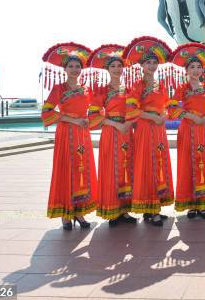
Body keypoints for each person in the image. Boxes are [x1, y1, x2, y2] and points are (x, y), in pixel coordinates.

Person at [41, 42, 97, 230]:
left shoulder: (86, 89)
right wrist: (73, 120)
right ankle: (66, 214)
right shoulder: (59, 88)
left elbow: (93, 110)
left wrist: (90, 119)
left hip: (82, 133)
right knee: (67, 169)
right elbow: (47, 112)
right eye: (71, 66)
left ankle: (79, 212)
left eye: (78, 66)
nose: (74, 69)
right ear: (64, 69)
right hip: (66, 132)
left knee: (82, 169)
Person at [123, 36, 174, 227]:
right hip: (145, 128)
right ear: (141, 66)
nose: (152, 66)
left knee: (159, 164)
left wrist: (164, 114)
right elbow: (131, 109)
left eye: (154, 63)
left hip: (159, 129)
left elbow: (166, 106)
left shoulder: (160, 85)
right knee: (147, 165)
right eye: (148, 63)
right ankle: (150, 209)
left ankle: (154, 207)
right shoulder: (137, 86)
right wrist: (152, 117)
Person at [168, 43, 205, 219]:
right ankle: (191, 204)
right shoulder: (182, 88)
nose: (196, 70)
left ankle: (203, 204)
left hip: (203, 128)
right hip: (188, 128)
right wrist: (192, 117)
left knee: (203, 162)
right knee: (187, 163)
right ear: (187, 70)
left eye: (199, 67)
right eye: (192, 67)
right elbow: (172, 108)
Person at [87, 44, 138, 227]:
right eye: (113, 66)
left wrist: (128, 124)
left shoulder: (130, 89)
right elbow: (93, 115)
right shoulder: (101, 91)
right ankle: (113, 210)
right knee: (111, 169)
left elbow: (135, 110)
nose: (117, 69)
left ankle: (125, 210)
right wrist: (116, 123)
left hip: (127, 131)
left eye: (119, 66)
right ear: (107, 69)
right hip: (110, 131)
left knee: (127, 167)